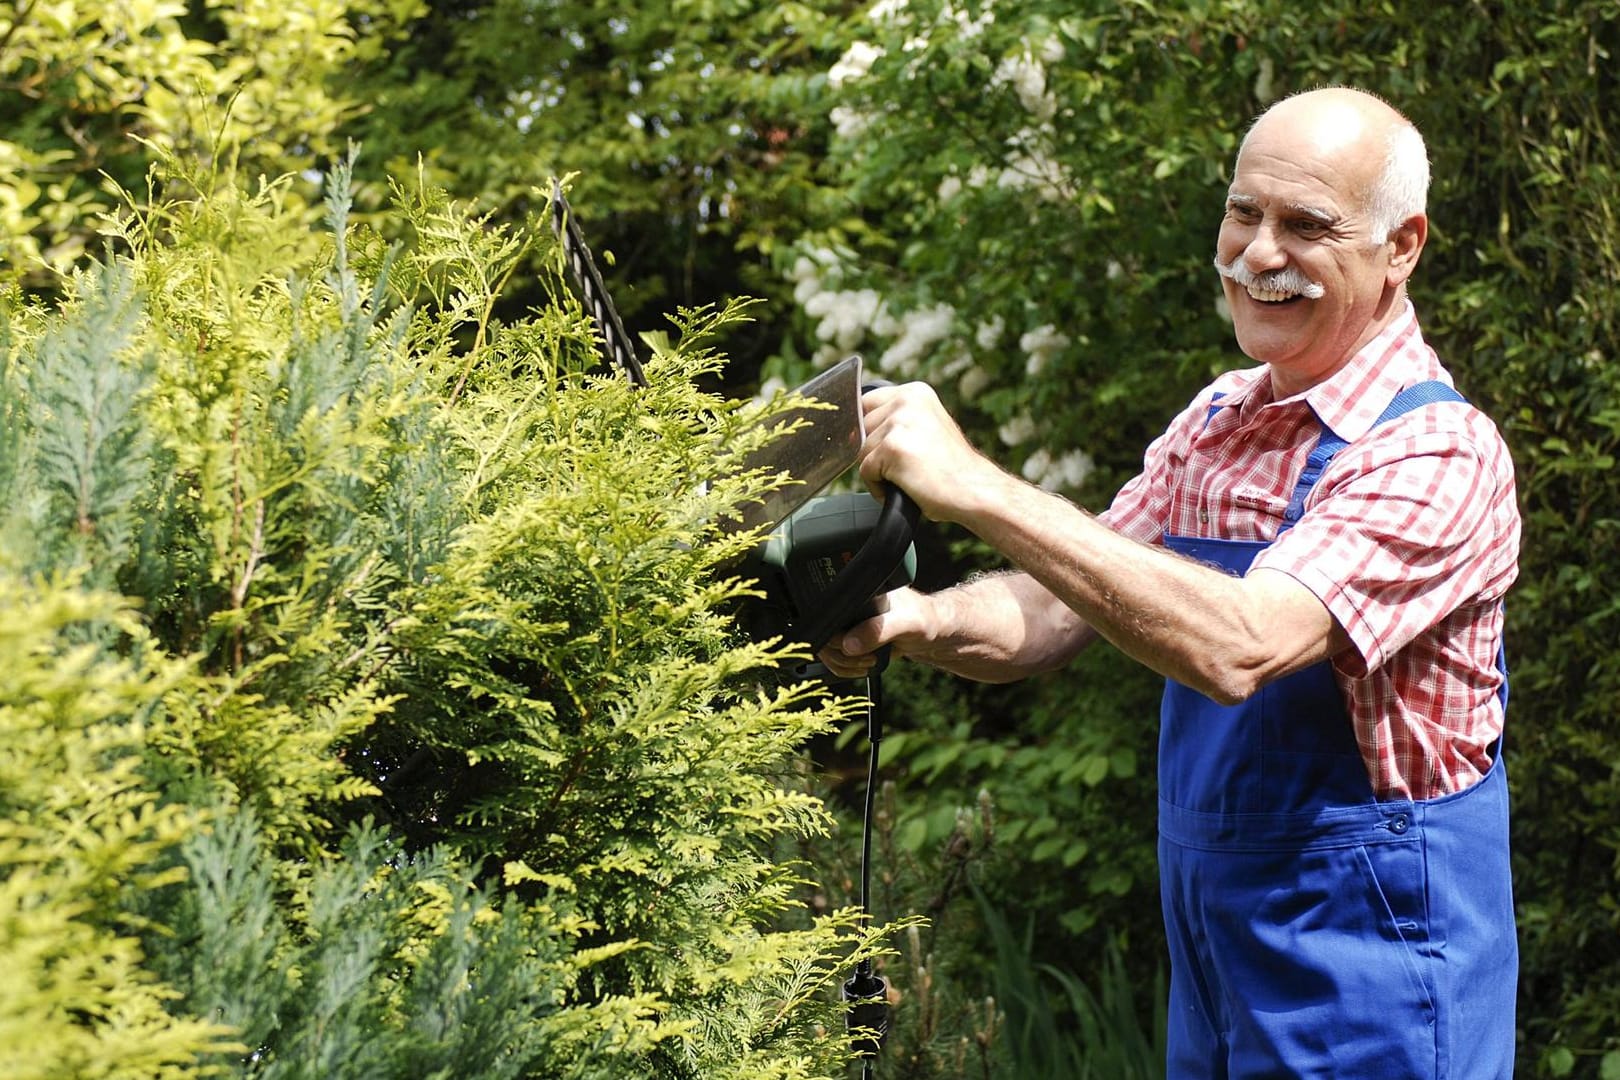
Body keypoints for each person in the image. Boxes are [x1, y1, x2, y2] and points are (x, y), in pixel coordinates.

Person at [820, 86, 1521, 1079]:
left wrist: (971, 483)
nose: (1259, 253)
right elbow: (1052, 604)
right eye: (1244, 212)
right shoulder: (1217, 423)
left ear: (1401, 246)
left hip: (1379, 994)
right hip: (1224, 978)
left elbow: (1241, 644)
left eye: (1305, 224)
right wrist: (916, 618)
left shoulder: (1439, 456)